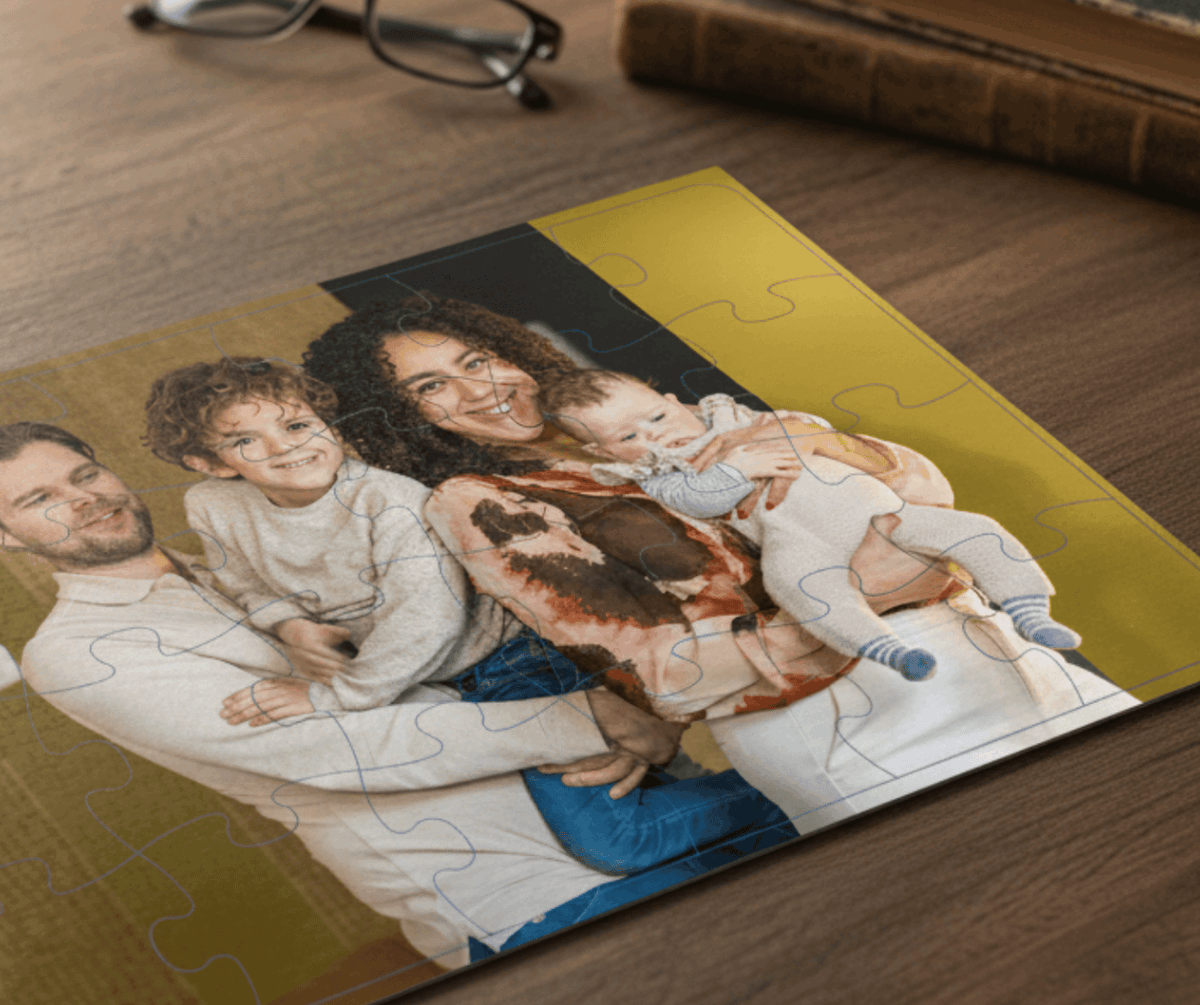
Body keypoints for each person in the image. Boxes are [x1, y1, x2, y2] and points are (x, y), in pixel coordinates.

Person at [0, 421, 790, 967]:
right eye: (39, 499)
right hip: (528, 893)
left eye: (83, 475)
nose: (83, 501)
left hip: (639, 794)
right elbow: (332, 749)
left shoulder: (243, 551)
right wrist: (591, 715)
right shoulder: (74, 653)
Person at [301, 294, 1138, 832]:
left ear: (509, 349)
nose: (479, 390)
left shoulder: (649, 411)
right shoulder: (480, 500)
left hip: (1002, 655)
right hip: (842, 719)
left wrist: (827, 447)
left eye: (476, 359)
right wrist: (863, 604)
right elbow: (665, 672)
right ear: (405, 420)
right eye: (430, 388)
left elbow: (918, 486)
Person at [137, 354, 798, 878]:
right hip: (433, 684)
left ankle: (796, 799)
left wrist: (334, 696)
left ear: (326, 421)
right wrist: (287, 622)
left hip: (516, 665)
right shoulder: (212, 506)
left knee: (617, 841)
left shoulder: (391, 502)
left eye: (297, 424)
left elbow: (427, 619)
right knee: (634, 804)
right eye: (245, 441)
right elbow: (238, 574)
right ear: (208, 464)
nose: (285, 448)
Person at [540, 368, 1082, 683]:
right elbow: (698, 501)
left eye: (657, 417)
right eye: (628, 437)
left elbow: (812, 427)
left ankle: (1030, 609)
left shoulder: (735, 419)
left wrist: (795, 433)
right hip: (797, 539)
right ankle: (889, 649)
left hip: (878, 511)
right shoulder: (661, 476)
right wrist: (738, 469)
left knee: (977, 531)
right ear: (602, 453)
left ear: (672, 400)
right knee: (803, 588)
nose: (655, 437)